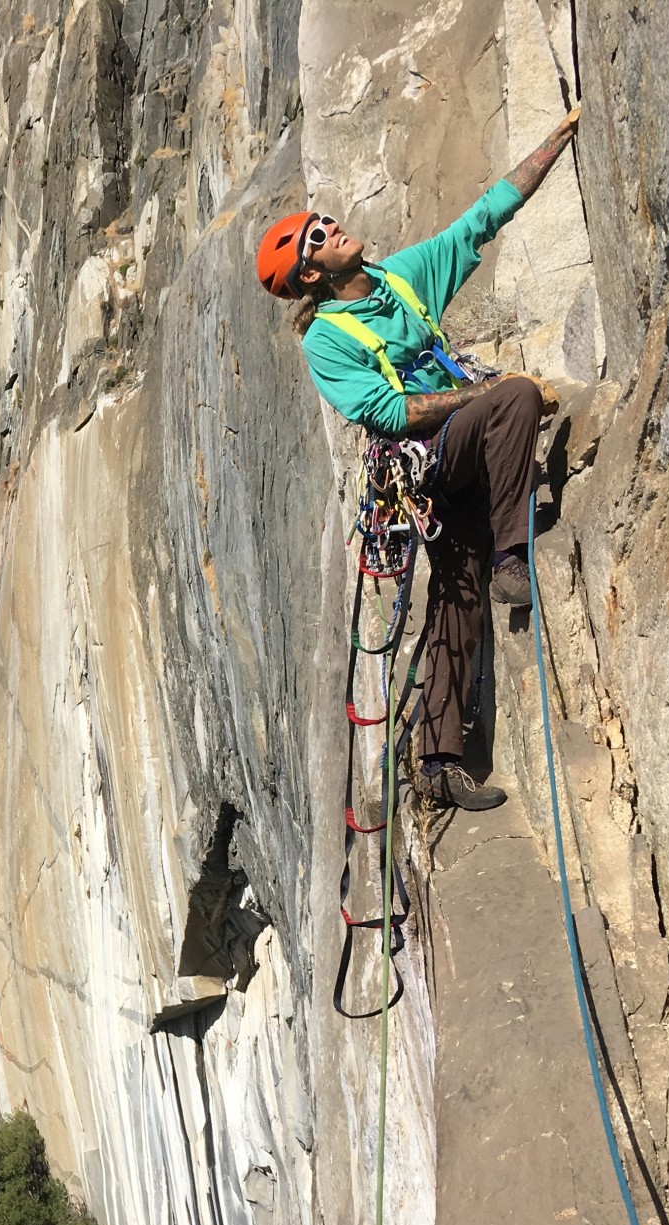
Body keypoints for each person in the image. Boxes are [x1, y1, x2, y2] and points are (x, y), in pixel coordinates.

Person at [256, 107, 582, 811]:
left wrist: (554, 142)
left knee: (455, 597)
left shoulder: (398, 279)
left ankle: (436, 765)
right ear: (310, 272)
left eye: (325, 220)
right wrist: (481, 394)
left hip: (460, 449)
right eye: (319, 235)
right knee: (516, 397)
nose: (333, 226)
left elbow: (477, 223)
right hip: (424, 463)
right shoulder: (326, 342)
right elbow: (392, 414)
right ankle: (513, 557)